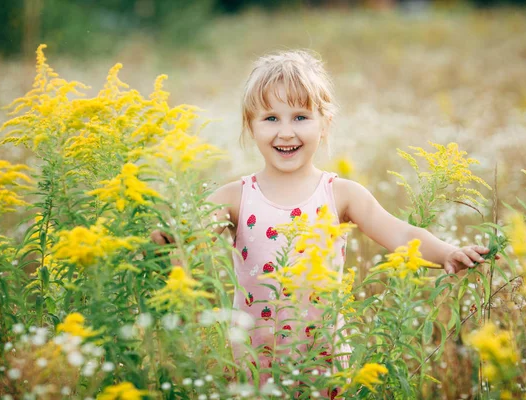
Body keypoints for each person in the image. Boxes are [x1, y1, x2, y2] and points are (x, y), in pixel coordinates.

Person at [151, 49, 490, 393]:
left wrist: (447, 253)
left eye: (300, 117)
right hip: (253, 362)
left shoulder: (341, 193)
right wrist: (168, 236)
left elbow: (401, 232)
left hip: (323, 359)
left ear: (325, 123)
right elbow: (186, 236)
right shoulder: (234, 197)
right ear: (250, 126)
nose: (286, 132)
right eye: (271, 118)